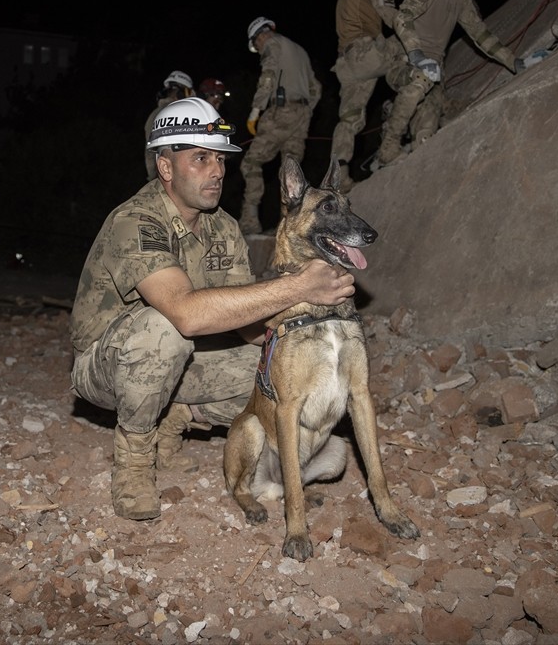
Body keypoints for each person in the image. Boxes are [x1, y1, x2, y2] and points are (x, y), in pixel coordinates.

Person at [70, 97, 359, 520]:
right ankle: (133, 463)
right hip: (106, 364)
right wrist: (299, 286)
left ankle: (178, 414)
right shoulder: (135, 220)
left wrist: (302, 331)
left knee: (283, 366)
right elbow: (186, 313)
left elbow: (244, 323)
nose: (218, 171)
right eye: (201, 158)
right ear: (165, 168)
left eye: (220, 159)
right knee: (164, 328)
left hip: (184, 357)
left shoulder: (222, 226)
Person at [378, 0, 521, 166]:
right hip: (403, 60)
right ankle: (388, 145)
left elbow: (480, 35)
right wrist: (417, 55)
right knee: (419, 81)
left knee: (426, 138)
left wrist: (515, 62)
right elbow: (402, 17)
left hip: (435, 72)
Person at [331, 0, 404, 190]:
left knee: (349, 118)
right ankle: (399, 126)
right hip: (366, 54)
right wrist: (414, 39)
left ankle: (339, 176)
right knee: (414, 46)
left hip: (347, 63)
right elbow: (391, 15)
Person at [240, 18, 322, 235]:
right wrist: (306, 111)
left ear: (259, 36)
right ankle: (288, 224)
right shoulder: (300, 50)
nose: (258, 50)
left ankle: (249, 222)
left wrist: (255, 110)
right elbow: (316, 88)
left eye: (256, 46)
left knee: (251, 162)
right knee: (290, 169)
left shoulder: (271, 43)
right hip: (302, 116)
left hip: (281, 111)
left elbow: (268, 75)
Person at [143, 70, 194, 181]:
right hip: (165, 179)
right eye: (188, 92)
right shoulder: (163, 114)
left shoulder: (179, 113)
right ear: (181, 92)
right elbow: (152, 152)